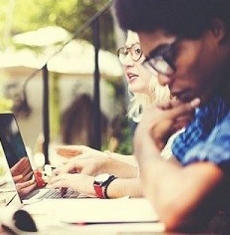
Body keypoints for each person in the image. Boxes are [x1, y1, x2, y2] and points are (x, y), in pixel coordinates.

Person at [115, 0, 230, 232]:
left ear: (216, 29)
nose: (163, 78)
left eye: (165, 56)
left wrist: (144, 137)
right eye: (152, 64)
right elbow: (174, 171)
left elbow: (176, 204)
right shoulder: (215, 99)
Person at [47, 31, 173, 198]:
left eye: (137, 51)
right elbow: (153, 169)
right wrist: (103, 159)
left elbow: (164, 182)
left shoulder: (189, 111)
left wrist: (98, 184)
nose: (127, 62)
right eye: (126, 52)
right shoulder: (164, 111)